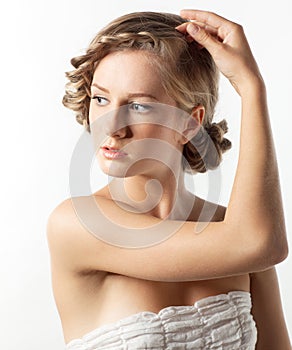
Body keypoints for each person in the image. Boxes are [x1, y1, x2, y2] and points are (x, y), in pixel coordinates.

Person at [47, 9, 291, 349]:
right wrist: (251, 87)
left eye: (139, 106)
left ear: (190, 123)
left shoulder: (235, 228)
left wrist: (251, 87)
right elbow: (261, 243)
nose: (112, 126)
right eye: (100, 99)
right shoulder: (78, 223)